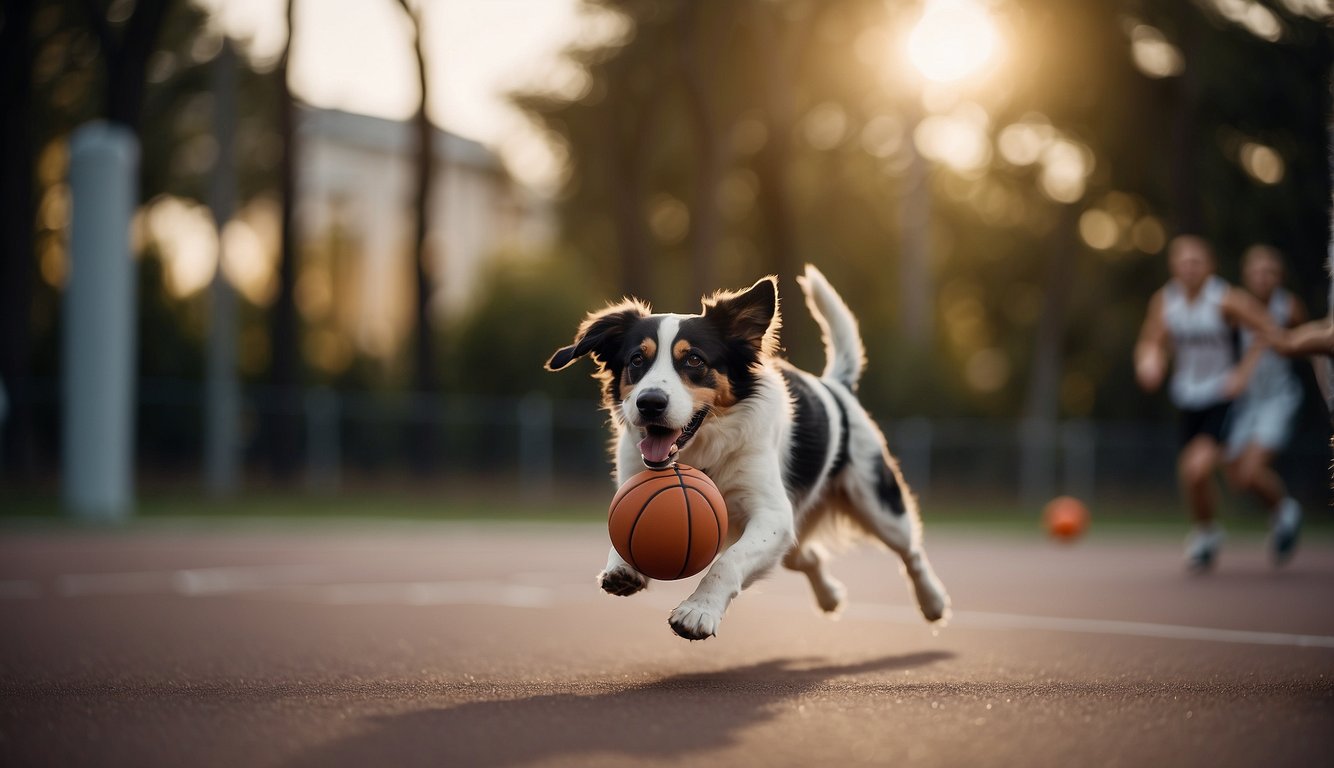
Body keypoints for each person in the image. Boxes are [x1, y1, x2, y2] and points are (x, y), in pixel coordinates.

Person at [1134, 235, 1277, 572]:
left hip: (1222, 395)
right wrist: (1149, 360)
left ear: (1209, 266)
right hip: (1188, 397)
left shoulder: (1226, 299)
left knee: (1196, 467)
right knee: (1206, 475)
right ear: (1173, 266)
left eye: (1195, 262)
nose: (1188, 268)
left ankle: (1208, 533)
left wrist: (1243, 373)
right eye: (1182, 262)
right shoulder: (1165, 302)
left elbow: (1267, 329)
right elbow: (1150, 339)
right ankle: (1217, 528)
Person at [1222, 246, 1306, 566]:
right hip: (1247, 403)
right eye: (1256, 271)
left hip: (1278, 399)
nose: (1262, 277)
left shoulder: (1290, 307)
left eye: (1269, 271)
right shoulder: (1236, 307)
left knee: (1252, 470)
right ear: (1246, 275)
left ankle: (1287, 511)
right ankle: (1282, 512)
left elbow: (1312, 345)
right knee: (1237, 478)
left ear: (1279, 277)